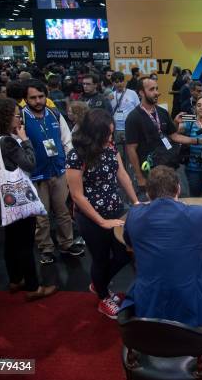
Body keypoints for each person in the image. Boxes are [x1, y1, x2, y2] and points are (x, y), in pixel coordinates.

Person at [122, 166, 202, 353]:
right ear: (178, 189)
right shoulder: (199, 214)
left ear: (148, 194)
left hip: (148, 307)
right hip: (193, 305)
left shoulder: (133, 215)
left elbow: (128, 240)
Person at [66, 109, 138, 319]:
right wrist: (102, 221)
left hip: (115, 209)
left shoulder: (110, 147)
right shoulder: (77, 155)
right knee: (100, 259)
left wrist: (135, 201)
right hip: (91, 217)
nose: (110, 138)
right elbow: (77, 196)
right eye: (106, 134)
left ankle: (98, 284)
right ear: (93, 134)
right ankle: (103, 296)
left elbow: (122, 173)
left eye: (111, 134)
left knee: (125, 253)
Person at [0, 98, 57, 300]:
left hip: (5, 198)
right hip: (20, 198)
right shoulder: (8, 141)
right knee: (25, 243)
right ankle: (33, 287)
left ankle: (16, 280)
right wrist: (25, 140)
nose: (20, 119)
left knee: (12, 241)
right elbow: (30, 164)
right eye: (17, 115)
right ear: (7, 117)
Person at [21, 80, 81, 264]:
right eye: (33, 98)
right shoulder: (21, 118)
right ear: (26, 99)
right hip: (35, 175)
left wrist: (68, 162)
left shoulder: (55, 114)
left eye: (41, 97)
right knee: (42, 215)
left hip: (59, 171)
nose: (38, 101)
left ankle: (67, 243)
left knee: (63, 211)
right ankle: (46, 248)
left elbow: (67, 139)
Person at [125, 77, 202, 196]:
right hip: (151, 172)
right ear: (141, 92)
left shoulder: (162, 112)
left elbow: (174, 136)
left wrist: (198, 141)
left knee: (182, 197)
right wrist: (139, 177)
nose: (156, 92)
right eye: (151, 89)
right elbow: (131, 149)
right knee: (157, 205)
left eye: (156, 88)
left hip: (171, 167)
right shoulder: (133, 117)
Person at [175, 96, 202, 197]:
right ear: (195, 108)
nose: (201, 108)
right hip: (193, 169)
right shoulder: (190, 121)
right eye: (199, 105)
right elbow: (174, 134)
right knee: (194, 197)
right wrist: (176, 122)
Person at [109, 72, 139, 160]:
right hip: (117, 129)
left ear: (124, 81)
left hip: (130, 128)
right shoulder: (111, 96)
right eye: (116, 82)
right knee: (119, 155)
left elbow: (138, 109)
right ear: (113, 83)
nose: (119, 84)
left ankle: (133, 171)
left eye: (121, 81)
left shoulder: (132, 93)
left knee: (132, 153)